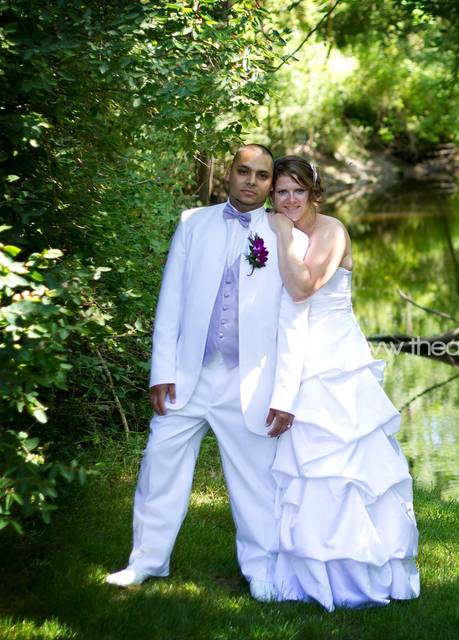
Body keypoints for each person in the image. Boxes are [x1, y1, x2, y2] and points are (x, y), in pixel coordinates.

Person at [105, 144, 308, 603]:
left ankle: (261, 571)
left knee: (256, 481)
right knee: (160, 466)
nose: (251, 182)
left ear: (269, 184)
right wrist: (162, 371)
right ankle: (144, 562)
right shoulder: (192, 223)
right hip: (187, 376)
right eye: (244, 171)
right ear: (228, 174)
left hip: (250, 379)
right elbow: (171, 299)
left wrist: (285, 392)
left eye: (261, 176)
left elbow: (294, 320)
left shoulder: (283, 232)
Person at [267, 155, 420, 610]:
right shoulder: (277, 227)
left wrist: (281, 235)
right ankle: (301, 572)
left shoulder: (331, 231)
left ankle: (357, 575)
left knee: (344, 463)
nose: (289, 200)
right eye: (281, 192)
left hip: (334, 359)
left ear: (313, 192)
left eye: (297, 190)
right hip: (290, 353)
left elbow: (303, 286)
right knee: (299, 465)